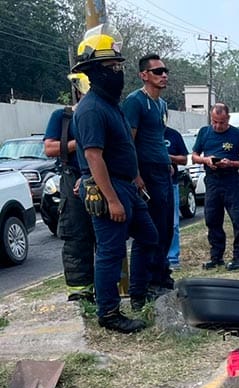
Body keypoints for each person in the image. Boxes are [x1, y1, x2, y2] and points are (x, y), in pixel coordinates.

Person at [71, 25, 159, 334]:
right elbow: (94, 157)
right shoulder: (91, 109)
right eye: (110, 67)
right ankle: (108, 313)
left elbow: (121, 148)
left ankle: (138, 294)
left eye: (118, 66)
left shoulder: (111, 106)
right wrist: (111, 199)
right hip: (110, 189)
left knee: (149, 237)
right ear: (94, 72)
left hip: (127, 185)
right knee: (110, 252)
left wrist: (135, 178)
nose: (117, 72)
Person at [122, 53, 174, 304]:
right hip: (146, 173)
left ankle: (162, 275)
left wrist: (168, 164)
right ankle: (144, 286)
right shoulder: (135, 102)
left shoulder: (162, 105)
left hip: (163, 170)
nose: (163, 75)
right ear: (144, 75)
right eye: (157, 71)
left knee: (166, 229)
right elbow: (128, 142)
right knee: (149, 232)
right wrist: (136, 174)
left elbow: (158, 137)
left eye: (165, 71)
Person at [43, 72, 95, 303]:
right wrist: (82, 141)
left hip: (100, 175)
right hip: (70, 175)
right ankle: (81, 290)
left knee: (108, 236)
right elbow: (51, 148)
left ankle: (112, 284)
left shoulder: (106, 113)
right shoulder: (62, 117)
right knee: (76, 235)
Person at [191, 103, 239, 271]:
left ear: (228, 119)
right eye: (215, 122)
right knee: (212, 219)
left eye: (222, 122)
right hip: (212, 181)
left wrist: (231, 163)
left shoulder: (237, 135)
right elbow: (194, 156)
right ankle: (216, 256)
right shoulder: (204, 133)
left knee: (238, 219)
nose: (218, 126)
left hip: (231, 181)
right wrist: (206, 160)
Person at [164, 122, 187, 270]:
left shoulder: (173, 134)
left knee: (173, 223)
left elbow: (184, 159)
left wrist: (168, 157)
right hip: (150, 184)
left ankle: (172, 258)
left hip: (171, 183)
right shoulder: (145, 133)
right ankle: (158, 258)